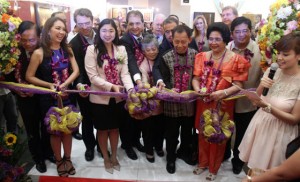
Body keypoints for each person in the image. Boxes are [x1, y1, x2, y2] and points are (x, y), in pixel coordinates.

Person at [192, 22, 250, 181]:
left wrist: (222, 93)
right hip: (203, 101)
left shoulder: (236, 59)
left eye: (217, 39)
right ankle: (202, 163)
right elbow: (196, 79)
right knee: (202, 133)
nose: (213, 42)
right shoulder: (202, 56)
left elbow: (239, 86)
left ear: (225, 39)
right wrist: (198, 89)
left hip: (223, 104)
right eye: (210, 39)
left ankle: (213, 168)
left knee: (218, 136)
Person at [26, 17, 79, 177]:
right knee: (55, 131)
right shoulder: (39, 52)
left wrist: (66, 84)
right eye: (57, 28)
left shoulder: (67, 49)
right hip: (48, 99)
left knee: (68, 130)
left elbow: (76, 71)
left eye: (63, 29)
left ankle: (68, 159)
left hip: (66, 95)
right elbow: (29, 76)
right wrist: (49, 85)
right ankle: (58, 160)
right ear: (48, 30)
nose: (61, 32)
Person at [239, 32, 300, 171]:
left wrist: (268, 107)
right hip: (260, 125)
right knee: (253, 171)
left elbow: (295, 119)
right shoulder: (272, 71)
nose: (279, 58)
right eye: (278, 53)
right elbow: (256, 101)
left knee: (273, 173)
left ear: (298, 56)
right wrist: (260, 88)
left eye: (285, 54)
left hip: (281, 133)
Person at [84, 18, 134, 174]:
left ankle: (114, 156)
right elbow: (92, 77)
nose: (107, 34)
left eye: (111, 30)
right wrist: (111, 86)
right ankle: (105, 157)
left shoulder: (121, 50)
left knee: (114, 128)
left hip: (118, 97)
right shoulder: (92, 49)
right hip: (100, 98)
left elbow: (125, 73)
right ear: (99, 31)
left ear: (116, 32)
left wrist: (130, 89)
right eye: (104, 30)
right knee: (102, 129)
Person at [153, 25, 198, 174]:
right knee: (171, 133)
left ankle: (184, 152)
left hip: (189, 104)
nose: (179, 45)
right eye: (176, 41)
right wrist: (170, 88)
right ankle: (170, 158)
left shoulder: (196, 55)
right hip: (171, 102)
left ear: (189, 40)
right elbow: (162, 75)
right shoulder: (166, 56)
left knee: (187, 131)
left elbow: (197, 76)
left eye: (183, 41)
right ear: (172, 39)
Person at [13, 21, 53, 173]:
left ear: (39, 37)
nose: (27, 43)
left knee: (46, 126)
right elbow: (9, 75)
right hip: (25, 98)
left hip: (44, 97)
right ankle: (38, 158)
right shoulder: (13, 53)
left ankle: (48, 152)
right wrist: (17, 89)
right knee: (31, 129)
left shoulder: (45, 51)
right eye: (23, 40)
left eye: (31, 40)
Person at [227, 16, 263, 174]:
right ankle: (223, 154)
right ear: (232, 33)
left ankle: (237, 160)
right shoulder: (227, 48)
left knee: (242, 133)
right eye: (237, 31)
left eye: (245, 31)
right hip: (227, 99)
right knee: (224, 128)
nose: (241, 35)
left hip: (247, 101)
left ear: (251, 31)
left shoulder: (259, 50)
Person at [69, 8, 98, 161]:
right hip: (85, 86)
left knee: (101, 117)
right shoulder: (73, 44)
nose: (85, 27)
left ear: (92, 21)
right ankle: (89, 147)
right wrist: (80, 85)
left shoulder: (103, 36)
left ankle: (101, 146)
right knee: (87, 118)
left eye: (87, 23)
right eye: (81, 24)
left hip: (102, 85)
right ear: (76, 24)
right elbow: (77, 68)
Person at [51, 11, 83, 141]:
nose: (61, 28)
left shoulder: (67, 45)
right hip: (52, 89)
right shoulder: (44, 50)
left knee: (71, 111)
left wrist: (66, 83)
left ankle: (74, 130)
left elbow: (76, 69)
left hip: (68, 83)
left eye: (64, 22)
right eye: (58, 23)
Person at [120, 10, 146, 160]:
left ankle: (136, 140)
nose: (135, 27)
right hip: (130, 81)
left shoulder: (146, 37)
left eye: (138, 23)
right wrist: (138, 80)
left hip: (143, 82)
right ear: (127, 25)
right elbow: (130, 61)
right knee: (129, 116)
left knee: (140, 113)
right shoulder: (125, 40)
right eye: (131, 24)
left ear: (143, 24)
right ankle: (127, 145)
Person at [139, 34, 165, 163]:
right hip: (148, 101)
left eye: (154, 49)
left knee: (160, 127)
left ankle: (159, 146)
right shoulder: (142, 65)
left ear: (158, 49)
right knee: (147, 128)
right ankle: (149, 149)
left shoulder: (162, 60)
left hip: (162, 103)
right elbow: (143, 82)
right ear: (144, 51)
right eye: (148, 50)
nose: (151, 52)